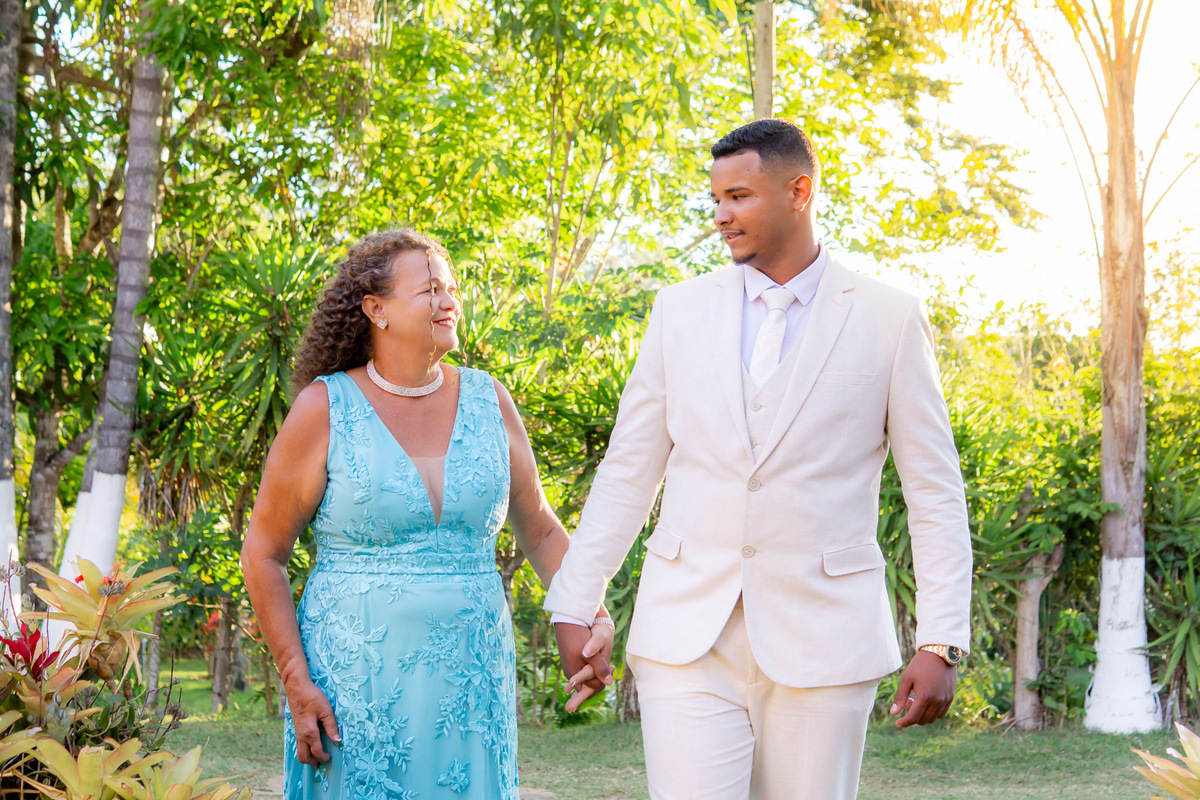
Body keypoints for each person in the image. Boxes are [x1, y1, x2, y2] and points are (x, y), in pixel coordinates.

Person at [545, 120, 973, 800]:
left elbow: (935, 491)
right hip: (686, 633)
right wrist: (574, 599)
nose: (721, 215)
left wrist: (941, 639)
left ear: (799, 191)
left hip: (825, 638)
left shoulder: (889, 318)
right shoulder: (679, 311)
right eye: (716, 199)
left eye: (739, 197)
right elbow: (629, 469)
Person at [241, 228, 613, 800]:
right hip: (354, 689)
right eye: (432, 289)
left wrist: (590, 612)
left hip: (473, 681)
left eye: (452, 288)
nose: (449, 301)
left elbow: (539, 528)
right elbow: (263, 552)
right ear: (377, 310)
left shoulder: (491, 400)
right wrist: (295, 677)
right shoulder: (324, 407)